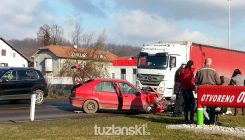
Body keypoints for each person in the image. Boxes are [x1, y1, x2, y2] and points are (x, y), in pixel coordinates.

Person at [195, 58, 221, 124]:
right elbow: (218, 82)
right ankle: (211, 120)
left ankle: (205, 119)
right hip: (211, 89)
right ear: (211, 63)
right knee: (212, 106)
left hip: (202, 89)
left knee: (201, 105)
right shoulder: (214, 70)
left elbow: (196, 81)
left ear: (205, 62)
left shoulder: (199, 70)